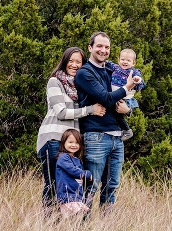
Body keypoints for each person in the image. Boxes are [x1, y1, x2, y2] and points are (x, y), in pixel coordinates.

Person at [35, 47, 105, 216]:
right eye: (71, 61)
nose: (74, 65)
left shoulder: (81, 87)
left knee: (70, 184)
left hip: (71, 143)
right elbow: (61, 112)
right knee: (52, 183)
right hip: (53, 139)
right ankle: (48, 222)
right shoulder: (55, 82)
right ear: (64, 61)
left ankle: (66, 224)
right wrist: (90, 110)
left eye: (78, 62)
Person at [74, 31, 135, 214]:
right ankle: (79, 229)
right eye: (99, 46)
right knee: (90, 187)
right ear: (90, 48)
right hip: (96, 136)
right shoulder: (85, 73)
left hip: (117, 138)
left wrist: (128, 110)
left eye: (107, 47)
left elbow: (125, 98)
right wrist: (127, 88)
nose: (103, 50)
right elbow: (106, 98)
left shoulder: (111, 70)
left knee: (112, 187)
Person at [105, 48, 146, 141]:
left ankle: (127, 130)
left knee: (118, 114)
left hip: (125, 98)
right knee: (112, 112)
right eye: (123, 59)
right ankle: (120, 129)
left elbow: (140, 81)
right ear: (119, 60)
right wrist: (105, 62)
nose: (125, 62)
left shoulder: (133, 72)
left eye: (128, 60)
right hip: (114, 95)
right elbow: (109, 64)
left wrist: (137, 80)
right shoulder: (116, 68)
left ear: (133, 63)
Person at [55, 129, 93, 219]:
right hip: (67, 196)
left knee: (84, 216)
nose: (73, 145)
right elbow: (73, 171)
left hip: (77, 196)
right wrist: (87, 174)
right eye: (70, 142)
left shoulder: (77, 160)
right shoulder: (63, 157)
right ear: (63, 143)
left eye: (77, 143)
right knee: (78, 218)